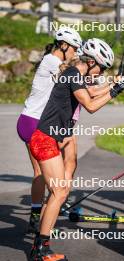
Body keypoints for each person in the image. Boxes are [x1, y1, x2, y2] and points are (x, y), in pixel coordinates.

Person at [29, 38, 124, 261]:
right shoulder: (74, 73)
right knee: (60, 192)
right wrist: (115, 89)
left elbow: (93, 93)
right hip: (44, 139)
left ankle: (40, 245)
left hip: (47, 139)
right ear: (92, 62)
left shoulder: (76, 74)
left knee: (57, 193)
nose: (101, 72)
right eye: (102, 67)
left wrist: (115, 84)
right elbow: (92, 105)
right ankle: (40, 251)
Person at [16, 26, 82, 233]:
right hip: (35, 121)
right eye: (73, 48)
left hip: (32, 119)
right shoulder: (52, 62)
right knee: (43, 172)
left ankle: (43, 212)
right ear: (63, 46)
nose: (75, 52)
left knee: (50, 170)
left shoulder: (54, 61)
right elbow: (71, 77)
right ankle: (43, 215)